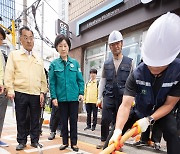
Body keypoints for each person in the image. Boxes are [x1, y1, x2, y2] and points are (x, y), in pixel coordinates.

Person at [108, 12, 180, 154]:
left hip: (162, 112)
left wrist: (149, 120)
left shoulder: (177, 72)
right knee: (113, 136)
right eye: (150, 64)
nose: (153, 69)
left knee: (172, 133)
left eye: (159, 66)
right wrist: (117, 131)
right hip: (139, 110)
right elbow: (125, 104)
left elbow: (169, 104)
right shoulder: (137, 73)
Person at [4, 26, 47, 151]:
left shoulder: (38, 58)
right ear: (20, 39)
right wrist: (10, 90)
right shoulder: (14, 55)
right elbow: (9, 73)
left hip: (35, 93)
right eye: (26, 38)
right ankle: (21, 141)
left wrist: (42, 92)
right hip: (20, 92)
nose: (29, 41)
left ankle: (35, 140)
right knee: (21, 118)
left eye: (31, 38)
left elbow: (43, 77)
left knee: (35, 118)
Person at [96, 30, 133, 149]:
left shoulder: (130, 62)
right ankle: (103, 140)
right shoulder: (106, 63)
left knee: (119, 122)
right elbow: (102, 81)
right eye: (112, 44)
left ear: (122, 44)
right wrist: (99, 98)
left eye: (117, 43)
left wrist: (134, 98)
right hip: (109, 95)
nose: (115, 46)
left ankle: (117, 143)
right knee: (105, 119)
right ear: (110, 47)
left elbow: (135, 82)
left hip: (123, 97)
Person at [48, 34, 84, 152]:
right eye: (60, 46)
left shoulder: (75, 63)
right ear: (57, 48)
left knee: (73, 121)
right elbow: (52, 82)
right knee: (63, 122)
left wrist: (81, 92)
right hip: (61, 99)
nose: (63, 48)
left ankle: (74, 143)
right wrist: (54, 97)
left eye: (65, 45)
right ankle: (64, 142)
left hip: (73, 98)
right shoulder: (54, 64)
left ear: (69, 47)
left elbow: (80, 80)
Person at [0, 27, 9, 147]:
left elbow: (4, 71)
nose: (0, 41)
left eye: (1, 39)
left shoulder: (1, 54)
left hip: (2, 90)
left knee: (1, 116)